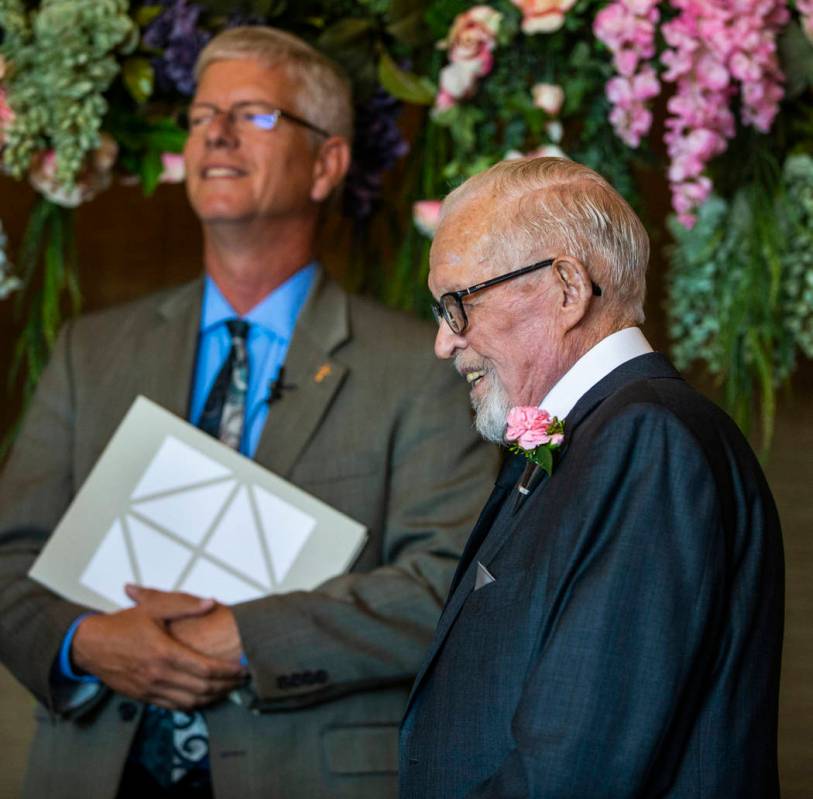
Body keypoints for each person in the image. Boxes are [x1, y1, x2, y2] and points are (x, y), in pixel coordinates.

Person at [0, 26, 498, 799]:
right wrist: (84, 640)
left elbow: (448, 583)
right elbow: (8, 562)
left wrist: (236, 637)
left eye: (255, 114)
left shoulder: (422, 365)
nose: (217, 135)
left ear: (328, 163)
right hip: (93, 772)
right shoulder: (88, 350)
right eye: (200, 117)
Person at [399, 157, 784, 798]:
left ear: (568, 289)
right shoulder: (601, 431)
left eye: (459, 304)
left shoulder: (648, 440)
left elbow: (578, 766)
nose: (444, 342)